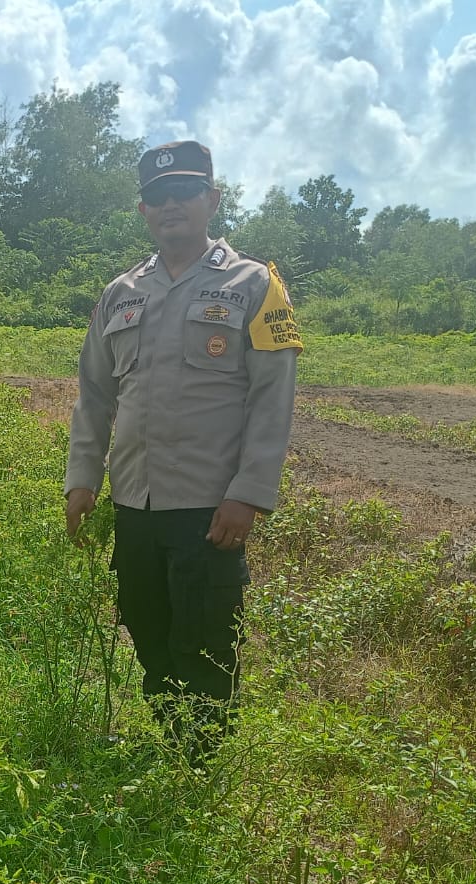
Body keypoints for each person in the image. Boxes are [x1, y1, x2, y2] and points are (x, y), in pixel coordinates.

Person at [64, 139, 302, 762]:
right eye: (158, 196)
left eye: (186, 192)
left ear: (212, 200)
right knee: (145, 625)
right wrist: (82, 479)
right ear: (144, 209)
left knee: (205, 635)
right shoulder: (120, 293)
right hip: (135, 502)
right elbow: (94, 394)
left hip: (209, 506)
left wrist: (248, 494)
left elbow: (272, 399)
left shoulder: (255, 285)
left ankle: (200, 764)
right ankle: (175, 745)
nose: (172, 205)